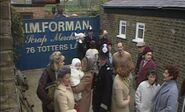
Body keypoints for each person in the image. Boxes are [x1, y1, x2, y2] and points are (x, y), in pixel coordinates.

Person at [92, 44, 113, 112]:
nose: (102, 60)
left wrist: (104, 105)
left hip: (101, 102)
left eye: (104, 58)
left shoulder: (108, 71)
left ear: (107, 58)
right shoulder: (99, 67)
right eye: (101, 58)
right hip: (96, 100)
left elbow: (108, 89)